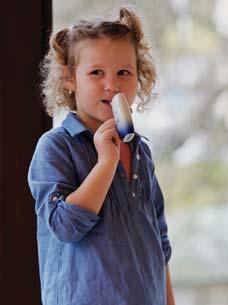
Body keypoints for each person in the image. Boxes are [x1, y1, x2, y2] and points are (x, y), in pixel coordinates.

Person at [28, 6, 175, 305]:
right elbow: (65, 227)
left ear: (139, 77)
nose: (112, 84)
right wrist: (106, 163)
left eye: (124, 72)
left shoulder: (140, 152)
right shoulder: (55, 147)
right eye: (96, 72)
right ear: (70, 78)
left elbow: (160, 243)